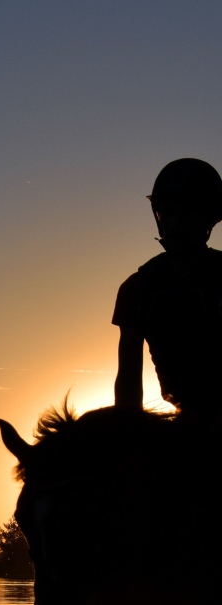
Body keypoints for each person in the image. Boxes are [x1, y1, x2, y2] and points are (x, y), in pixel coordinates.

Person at [113, 158, 222, 417]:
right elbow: (128, 381)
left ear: (206, 219)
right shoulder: (138, 288)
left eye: (186, 213)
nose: (174, 223)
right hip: (186, 424)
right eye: (167, 213)